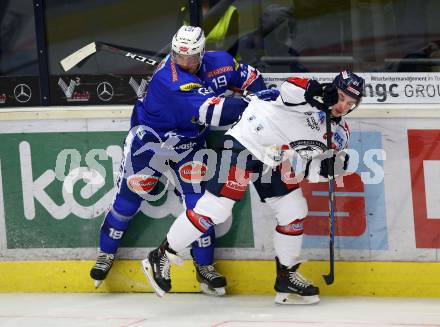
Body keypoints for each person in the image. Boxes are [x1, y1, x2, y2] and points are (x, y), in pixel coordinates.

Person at [142, 70, 365, 304]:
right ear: (333, 90)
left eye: (350, 103)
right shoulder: (310, 95)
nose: (343, 106)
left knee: (294, 210)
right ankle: (162, 255)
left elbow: (311, 169)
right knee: (216, 208)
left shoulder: (338, 135)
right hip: (245, 142)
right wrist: (319, 92)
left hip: (274, 159)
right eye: (340, 97)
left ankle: (286, 274)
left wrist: (332, 169)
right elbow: (289, 88)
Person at [90, 25, 274, 296]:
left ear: (202, 52)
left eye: (190, 57)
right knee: (127, 202)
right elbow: (217, 113)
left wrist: (257, 94)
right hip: (149, 145)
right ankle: (106, 253)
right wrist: (256, 105)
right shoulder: (169, 80)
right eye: (178, 55)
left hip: (190, 146)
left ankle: (204, 267)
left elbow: (251, 76)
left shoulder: (220, 62)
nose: (184, 62)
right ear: (173, 50)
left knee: (200, 207)